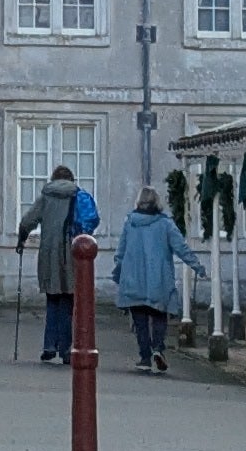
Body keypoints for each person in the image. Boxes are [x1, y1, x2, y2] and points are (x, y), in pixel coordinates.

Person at [110, 185, 206, 374]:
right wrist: (197, 266)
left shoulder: (130, 222)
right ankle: (158, 349)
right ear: (157, 201)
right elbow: (181, 247)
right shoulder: (165, 224)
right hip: (158, 279)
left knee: (140, 321)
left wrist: (118, 273)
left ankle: (145, 357)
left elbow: (120, 252)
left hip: (134, 278)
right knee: (159, 316)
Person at [18, 160, 99, 364]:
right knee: (69, 302)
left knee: (52, 300)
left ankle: (49, 345)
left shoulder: (46, 196)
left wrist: (21, 239)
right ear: (71, 179)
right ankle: (65, 349)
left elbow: (28, 221)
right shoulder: (77, 195)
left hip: (49, 254)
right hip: (73, 253)